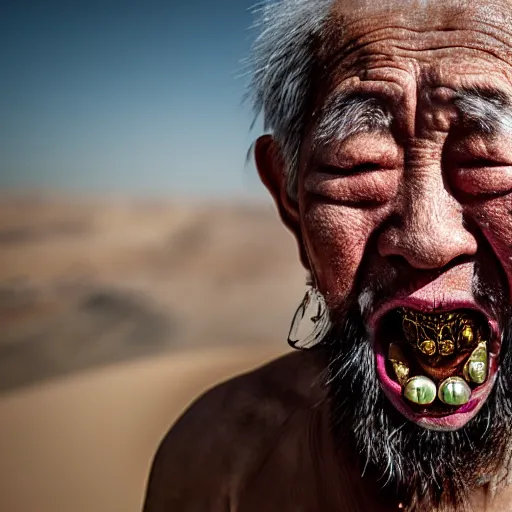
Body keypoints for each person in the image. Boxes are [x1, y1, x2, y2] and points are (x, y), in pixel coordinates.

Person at [143, 0, 512, 510]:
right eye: (359, 166)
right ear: (289, 199)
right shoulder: (219, 458)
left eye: (489, 162)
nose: (429, 239)